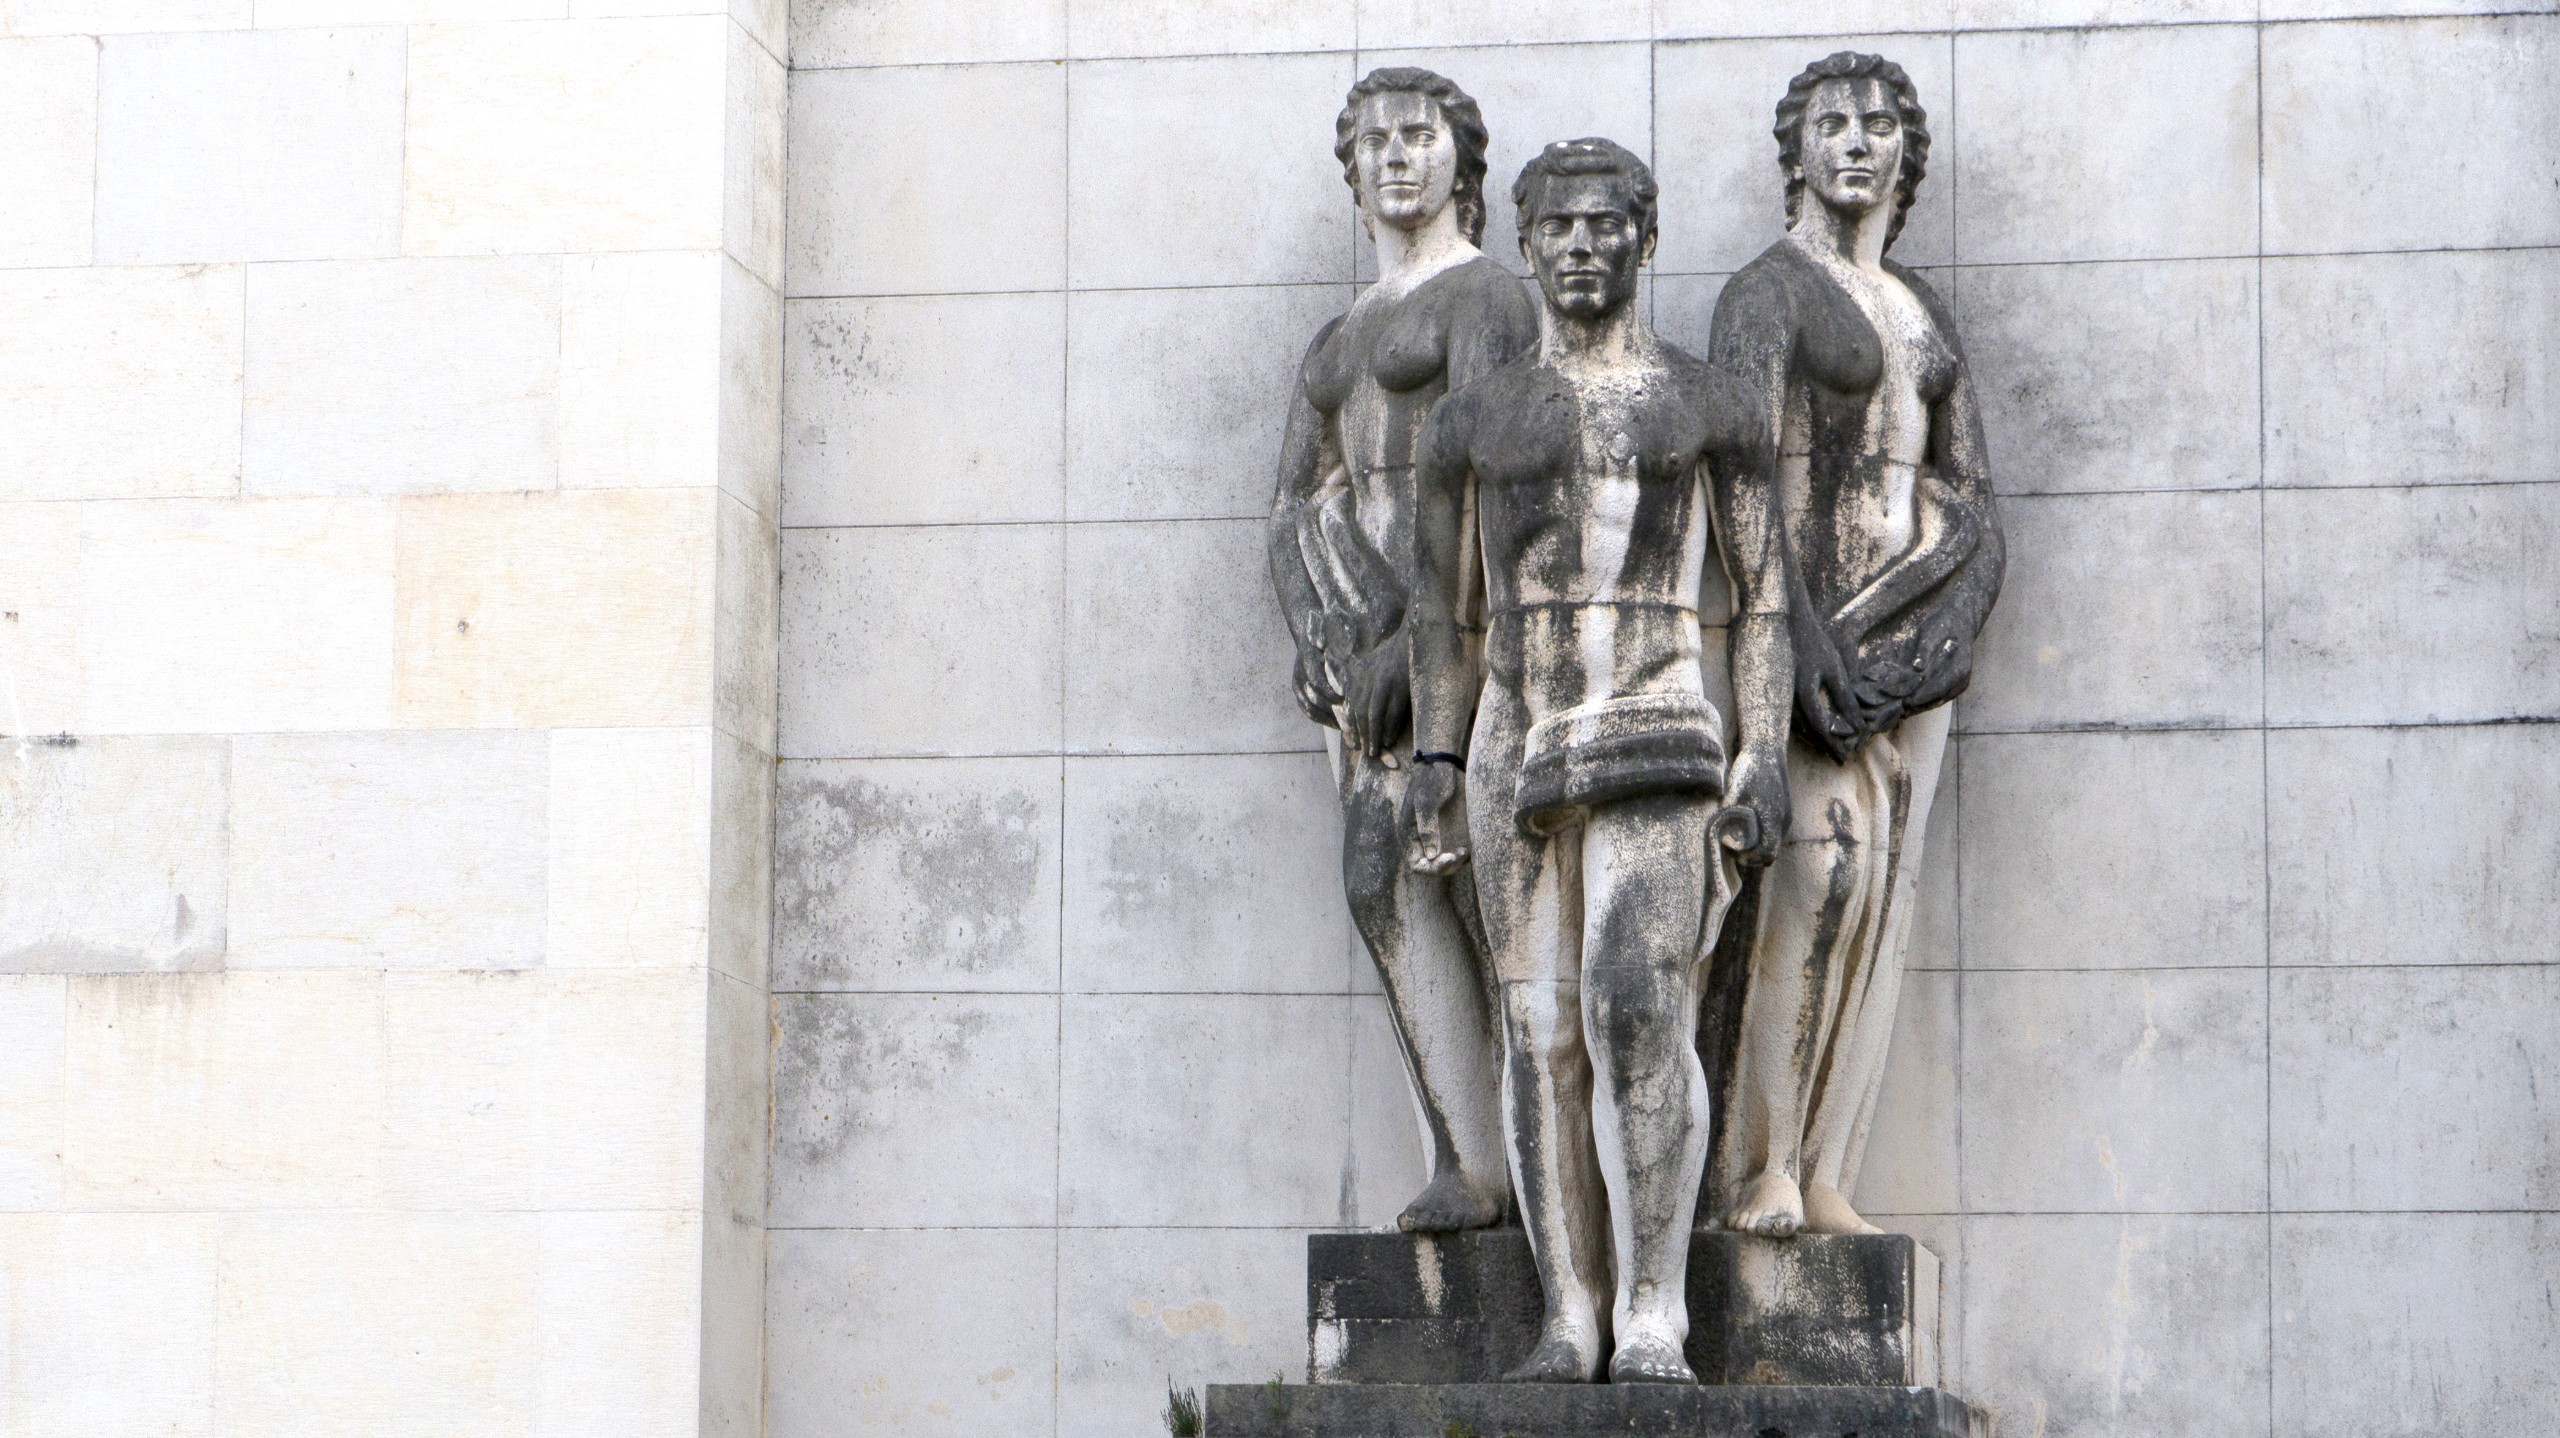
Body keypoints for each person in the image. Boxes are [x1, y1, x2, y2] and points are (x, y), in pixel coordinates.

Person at [1403, 137, 1792, 1385]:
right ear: (1525, 245)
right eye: (1559, 227)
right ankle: (1567, 1314)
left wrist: (1765, 750)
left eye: (1604, 224)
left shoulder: (1707, 400)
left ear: (1644, 238)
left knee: (1637, 1003)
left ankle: (1651, 1311)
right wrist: (1433, 752)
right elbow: (1438, 607)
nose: (1581, 245)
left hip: (1656, 713)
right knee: (1537, 1028)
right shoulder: (1472, 416)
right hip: (1515, 727)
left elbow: (1764, 597)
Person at [1710, 52, 2006, 1240]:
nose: (1854, 141)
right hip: (1808, 648)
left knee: (1877, 897)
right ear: (1796, 150)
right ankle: (1763, 1162)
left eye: (1877, 125)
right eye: (1830, 122)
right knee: (1816, 880)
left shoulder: (1919, 306)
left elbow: (1972, 492)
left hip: (1902, 652)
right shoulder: (1766, 292)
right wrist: (1792, 638)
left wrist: (1947, 625)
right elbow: (1739, 490)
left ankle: (1824, 1161)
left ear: (1904, 154)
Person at [1268, 67, 1534, 1233]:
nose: (1394, 157)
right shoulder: (1340, 336)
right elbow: (1294, 502)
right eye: (1373, 141)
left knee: (1478, 897)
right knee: (1380, 882)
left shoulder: (1486, 299)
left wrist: (1424, 647)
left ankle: (1519, 1164)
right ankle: (1464, 1156)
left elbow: (1482, 489)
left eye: (1418, 136)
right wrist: (1322, 627)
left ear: (1458, 160)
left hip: (1463, 648)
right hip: (1366, 660)